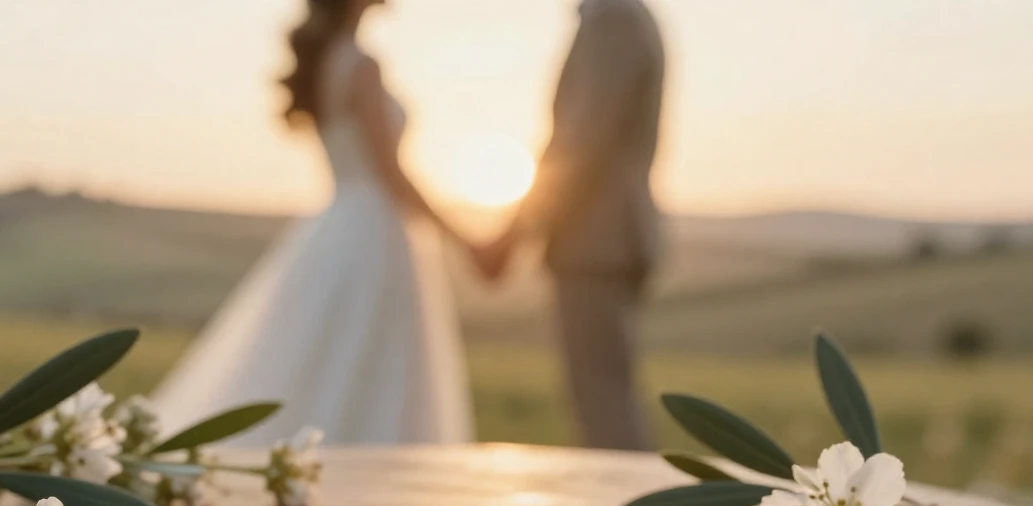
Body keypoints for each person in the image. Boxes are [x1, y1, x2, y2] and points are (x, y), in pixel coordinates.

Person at [150, 0, 476, 446]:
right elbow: (392, 173)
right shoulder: (362, 64)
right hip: (375, 234)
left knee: (320, 359)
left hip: (339, 224)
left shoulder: (325, 59)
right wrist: (467, 240)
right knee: (374, 367)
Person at [479, 0, 665, 451]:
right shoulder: (621, 17)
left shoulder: (614, 19)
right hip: (603, 242)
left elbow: (581, 141)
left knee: (604, 405)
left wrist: (514, 233)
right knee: (603, 396)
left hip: (597, 243)